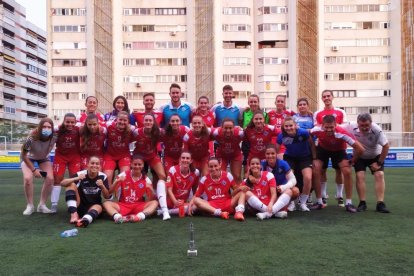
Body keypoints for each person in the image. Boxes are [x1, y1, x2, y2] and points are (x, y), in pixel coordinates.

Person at [311, 115, 364, 213]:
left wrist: (353, 160)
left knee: (347, 171)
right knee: (316, 170)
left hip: (339, 150)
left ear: (336, 125)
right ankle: (319, 201)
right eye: (326, 127)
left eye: (331, 127)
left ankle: (348, 203)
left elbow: (360, 149)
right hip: (323, 149)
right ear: (322, 125)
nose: (329, 130)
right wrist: (314, 155)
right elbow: (308, 135)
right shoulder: (316, 129)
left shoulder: (342, 132)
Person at [342, 113, 390, 213]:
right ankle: (362, 203)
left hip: (375, 156)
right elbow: (335, 126)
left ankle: (380, 203)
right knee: (360, 176)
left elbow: (386, 146)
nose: (364, 128)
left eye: (367, 125)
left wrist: (379, 163)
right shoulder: (350, 125)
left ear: (371, 123)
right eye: (362, 125)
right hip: (360, 156)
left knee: (379, 175)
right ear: (357, 123)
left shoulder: (377, 130)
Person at [132, 113, 170, 220]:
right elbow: (126, 139)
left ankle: (160, 198)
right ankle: (136, 199)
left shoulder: (158, 132)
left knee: (162, 176)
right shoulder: (136, 132)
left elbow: (169, 133)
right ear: (143, 122)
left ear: (154, 122)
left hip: (152, 156)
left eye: (150, 120)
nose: (148, 122)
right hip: (139, 157)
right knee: (139, 178)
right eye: (146, 120)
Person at [313, 90, 347, 206]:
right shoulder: (318, 113)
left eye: (328, 96)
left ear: (332, 97)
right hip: (323, 146)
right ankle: (323, 196)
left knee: (339, 170)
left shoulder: (340, 112)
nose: (326, 98)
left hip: (338, 146)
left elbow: (344, 127)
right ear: (322, 99)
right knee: (322, 170)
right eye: (324, 96)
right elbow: (317, 127)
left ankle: (340, 195)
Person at [103, 155, 159, 223]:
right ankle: (118, 217)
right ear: (131, 164)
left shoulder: (146, 180)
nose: (137, 166)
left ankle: (139, 217)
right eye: (135, 164)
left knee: (155, 203)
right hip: (124, 205)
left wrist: (150, 189)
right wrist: (117, 181)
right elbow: (110, 192)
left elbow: (151, 199)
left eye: (139, 164)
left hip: (138, 205)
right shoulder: (123, 175)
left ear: (143, 165)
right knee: (106, 203)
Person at [276, 117, 315, 212]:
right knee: (289, 177)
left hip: (305, 157)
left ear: (295, 126)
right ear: (283, 127)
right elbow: (276, 150)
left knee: (308, 177)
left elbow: (312, 145)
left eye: (291, 125)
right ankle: (291, 202)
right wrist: (278, 161)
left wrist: (314, 158)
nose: (289, 128)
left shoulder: (303, 133)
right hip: (290, 158)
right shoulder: (281, 136)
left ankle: (303, 203)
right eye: (286, 126)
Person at [60, 156, 111, 227]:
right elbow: (62, 183)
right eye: (92, 163)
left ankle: (85, 220)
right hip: (79, 205)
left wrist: (102, 186)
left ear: (100, 165)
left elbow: (107, 196)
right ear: (87, 164)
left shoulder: (103, 176)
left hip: (94, 206)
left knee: (99, 207)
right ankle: (74, 214)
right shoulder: (81, 174)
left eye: (97, 164)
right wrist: (77, 178)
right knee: (70, 184)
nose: (94, 166)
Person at [20, 117, 56, 215]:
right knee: (28, 178)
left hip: (43, 158)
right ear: (39, 127)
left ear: (52, 128)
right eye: (44, 126)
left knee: (50, 178)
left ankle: (42, 205)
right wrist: (34, 170)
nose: (46, 129)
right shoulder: (31, 137)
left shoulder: (55, 136)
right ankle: (30, 205)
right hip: (29, 157)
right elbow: (23, 155)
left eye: (49, 127)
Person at [51, 113, 81, 213]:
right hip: (60, 157)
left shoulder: (78, 129)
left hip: (74, 157)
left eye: (72, 122)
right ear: (64, 121)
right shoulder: (57, 129)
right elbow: (43, 129)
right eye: (67, 122)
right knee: (57, 179)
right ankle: (54, 204)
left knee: (75, 179)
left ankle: (77, 203)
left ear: (75, 122)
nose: (70, 124)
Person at [261, 145, 299, 218]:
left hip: (282, 190)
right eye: (268, 154)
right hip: (270, 191)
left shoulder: (283, 163)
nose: (270, 156)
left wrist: (284, 187)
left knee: (295, 191)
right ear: (265, 155)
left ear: (276, 154)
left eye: (272, 153)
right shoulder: (262, 164)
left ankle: (288, 202)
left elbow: (293, 180)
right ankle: (278, 211)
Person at [103, 111, 134, 187]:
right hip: (110, 156)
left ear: (128, 121)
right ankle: (109, 197)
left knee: (125, 179)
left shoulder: (132, 129)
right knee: (106, 181)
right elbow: (97, 127)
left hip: (124, 156)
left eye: (125, 120)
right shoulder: (108, 125)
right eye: (120, 119)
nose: (122, 122)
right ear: (116, 119)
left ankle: (121, 197)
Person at [165, 151, 200, 217]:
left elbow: (195, 191)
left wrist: (191, 203)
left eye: (187, 158)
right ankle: (164, 211)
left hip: (183, 202)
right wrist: (175, 202)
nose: (185, 160)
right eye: (183, 158)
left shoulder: (196, 172)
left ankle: (170, 212)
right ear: (179, 159)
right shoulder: (173, 170)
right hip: (171, 201)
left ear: (191, 160)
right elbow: (169, 190)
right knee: (163, 184)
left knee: (196, 207)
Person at [243, 111, 278, 176]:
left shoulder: (270, 128)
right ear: (253, 120)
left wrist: (277, 147)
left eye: (260, 119)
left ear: (264, 120)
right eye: (256, 119)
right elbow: (241, 138)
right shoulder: (248, 130)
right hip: (253, 158)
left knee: (267, 176)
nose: (258, 121)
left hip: (266, 158)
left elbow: (283, 133)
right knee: (248, 177)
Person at [211, 119, 244, 184]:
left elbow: (249, 133)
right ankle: (225, 192)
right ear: (221, 128)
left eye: (230, 128)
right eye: (225, 128)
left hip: (235, 155)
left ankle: (240, 192)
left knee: (237, 176)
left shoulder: (240, 133)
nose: (228, 130)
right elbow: (205, 131)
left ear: (234, 128)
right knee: (220, 175)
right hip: (221, 155)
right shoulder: (216, 132)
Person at [267, 94, 295, 159]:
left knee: (281, 162)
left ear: (284, 103)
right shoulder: (269, 114)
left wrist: (309, 112)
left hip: (284, 142)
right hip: (272, 143)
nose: (280, 103)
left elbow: (299, 115)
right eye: (278, 101)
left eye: (282, 101)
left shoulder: (289, 113)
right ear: (275, 102)